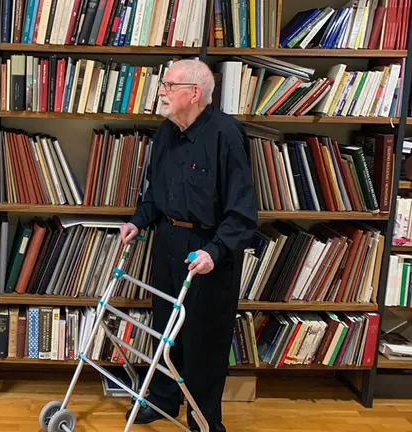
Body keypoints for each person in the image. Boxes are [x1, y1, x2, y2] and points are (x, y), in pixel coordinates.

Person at [119, 59, 258, 431]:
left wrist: (214, 252)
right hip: (167, 240)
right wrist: (138, 220)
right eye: (163, 84)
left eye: (169, 84)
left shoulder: (226, 135)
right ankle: (164, 399)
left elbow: (242, 211)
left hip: (209, 249)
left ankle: (203, 421)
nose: (161, 90)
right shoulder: (165, 132)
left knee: (203, 345)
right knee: (165, 330)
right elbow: (156, 191)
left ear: (194, 93)